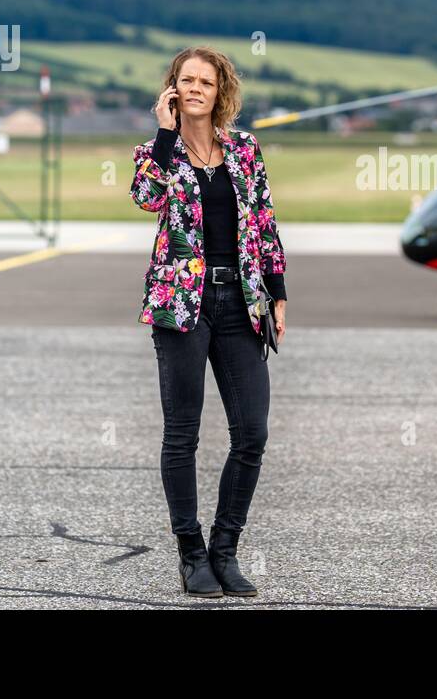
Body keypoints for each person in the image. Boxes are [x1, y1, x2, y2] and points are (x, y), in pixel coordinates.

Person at [129, 45, 287, 598]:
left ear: (221, 92)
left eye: (206, 82)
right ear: (171, 88)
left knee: (252, 433)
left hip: (240, 303)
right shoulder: (155, 152)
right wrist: (167, 135)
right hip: (181, 307)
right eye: (186, 80)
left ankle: (225, 551)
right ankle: (191, 554)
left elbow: (264, 219)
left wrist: (277, 290)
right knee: (182, 435)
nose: (196, 88)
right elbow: (146, 198)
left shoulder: (244, 150)